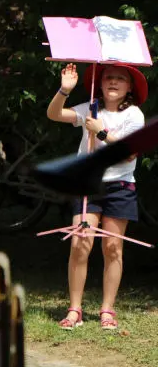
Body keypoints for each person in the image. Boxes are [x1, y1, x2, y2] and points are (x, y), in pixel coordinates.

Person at [47, 62, 147, 330]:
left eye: (120, 78)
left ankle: (107, 310)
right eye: (108, 77)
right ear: (100, 84)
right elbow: (54, 114)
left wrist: (101, 131)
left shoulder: (134, 115)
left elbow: (130, 153)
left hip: (120, 187)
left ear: (129, 87)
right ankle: (74, 309)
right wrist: (64, 90)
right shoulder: (90, 109)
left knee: (113, 248)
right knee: (80, 243)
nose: (113, 81)